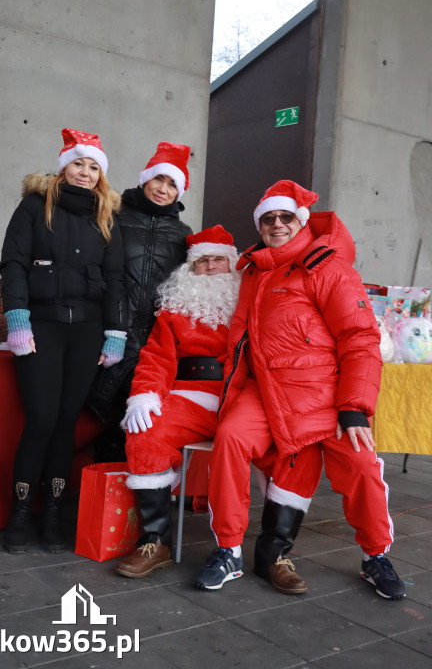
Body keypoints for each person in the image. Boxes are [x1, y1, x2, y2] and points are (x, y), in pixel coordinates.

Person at [196, 180, 406, 601]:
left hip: (328, 394)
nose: (276, 224)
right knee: (231, 439)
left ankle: (376, 557)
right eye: (268, 218)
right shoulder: (254, 271)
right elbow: (241, 338)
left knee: (362, 466)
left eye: (285, 216)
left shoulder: (328, 267)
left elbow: (359, 338)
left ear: (301, 220)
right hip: (268, 390)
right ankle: (228, 550)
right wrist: (233, 394)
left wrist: (354, 406)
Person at [0, 128, 126, 554]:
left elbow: (114, 281)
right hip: (42, 326)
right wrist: (17, 318)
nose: (85, 172)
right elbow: (14, 263)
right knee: (41, 420)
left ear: (101, 176)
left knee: (67, 424)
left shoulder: (106, 216)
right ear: (63, 166)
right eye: (78, 163)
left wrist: (116, 332)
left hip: (87, 332)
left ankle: (52, 512)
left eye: (94, 167)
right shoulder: (35, 206)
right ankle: (19, 514)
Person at [115, 225, 251, 578]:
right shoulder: (175, 309)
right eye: (202, 261)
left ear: (232, 264)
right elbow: (156, 358)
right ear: (190, 269)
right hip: (186, 397)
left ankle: (272, 546)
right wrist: (144, 395)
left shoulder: (250, 302)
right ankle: (155, 541)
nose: (209, 267)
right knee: (146, 432)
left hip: (238, 398)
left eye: (218, 259)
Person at [86, 142, 193, 459]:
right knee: (97, 421)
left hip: (151, 345)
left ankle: (125, 502)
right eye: (159, 179)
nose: (163, 189)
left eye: (172, 184)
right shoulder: (112, 214)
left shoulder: (182, 234)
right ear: (146, 179)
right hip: (107, 333)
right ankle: (93, 497)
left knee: (135, 423)